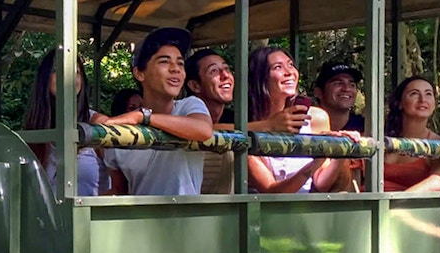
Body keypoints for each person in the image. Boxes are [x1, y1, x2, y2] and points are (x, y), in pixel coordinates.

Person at [102, 27, 213, 195]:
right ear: (139, 73)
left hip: (188, 219)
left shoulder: (189, 106)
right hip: (140, 219)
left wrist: (144, 117)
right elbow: (119, 192)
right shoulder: (121, 130)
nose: (175, 68)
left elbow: (203, 130)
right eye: (164, 61)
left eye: (180, 63)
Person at [183, 48, 308, 194]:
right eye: (214, 71)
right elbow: (202, 129)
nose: (225, 76)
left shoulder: (236, 119)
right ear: (195, 86)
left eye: (227, 69)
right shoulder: (185, 112)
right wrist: (269, 125)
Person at [246, 46, 355, 193]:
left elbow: (321, 182)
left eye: (291, 65)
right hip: (267, 210)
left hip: (308, 208)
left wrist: (341, 149)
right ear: (260, 78)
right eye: (278, 67)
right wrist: (269, 125)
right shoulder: (249, 125)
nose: (289, 72)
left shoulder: (316, 117)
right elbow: (272, 191)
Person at [24, 51, 108, 195]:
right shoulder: (34, 129)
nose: (68, 77)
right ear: (45, 78)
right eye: (58, 70)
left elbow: (121, 187)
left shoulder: (97, 124)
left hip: (85, 216)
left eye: (76, 72)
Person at [383, 76, 440, 192]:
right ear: (399, 103)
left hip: (406, 207)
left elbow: (438, 182)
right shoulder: (383, 137)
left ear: (434, 104)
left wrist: (390, 206)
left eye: (428, 94)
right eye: (414, 93)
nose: (422, 99)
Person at [313, 60, 365, 133]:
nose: (346, 89)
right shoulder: (305, 126)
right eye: (338, 83)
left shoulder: (365, 127)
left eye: (352, 85)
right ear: (318, 92)